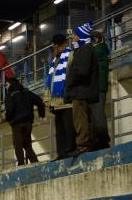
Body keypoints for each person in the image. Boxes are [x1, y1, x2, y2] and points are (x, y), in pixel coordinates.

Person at [65, 21, 99, 156]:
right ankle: (87, 144)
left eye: (74, 35)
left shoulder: (85, 50)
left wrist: (70, 81)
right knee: (84, 119)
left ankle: (83, 145)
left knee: (81, 120)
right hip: (82, 91)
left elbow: (82, 71)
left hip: (81, 91)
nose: (72, 37)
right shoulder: (85, 49)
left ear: (80, 36)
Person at [44, 34, 77, 160]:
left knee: (69, 126)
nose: (55, 49)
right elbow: (49, 81)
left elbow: (72, 76)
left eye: (57, 46)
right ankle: (61, 153)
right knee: (60, 129)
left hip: (67, 99)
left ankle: (70, 150)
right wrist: (46, 99)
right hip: (55, 102)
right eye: (54, 47)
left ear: (63, 44)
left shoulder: (70, 55)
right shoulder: (54, 61)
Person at [5, 78, 46, 166]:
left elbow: (10, 109)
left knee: (18, 145)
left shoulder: (11, 95)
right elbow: (40, 102)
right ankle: (34, 162)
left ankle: (21, 163)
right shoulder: (28, 92)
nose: (6, 87)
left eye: (7, 85)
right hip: (28, 122)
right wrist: (41, 114)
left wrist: (8, 119)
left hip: (16, 123)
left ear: (11, 85)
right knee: (27, 144)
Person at [90, 30, 111, 151]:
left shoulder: (98, 50)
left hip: (98, 87)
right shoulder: (100, 50)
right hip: (97, 87)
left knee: (98, 115)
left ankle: (103, 141)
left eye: (91, 40)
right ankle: (99, 140)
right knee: (96, 115)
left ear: (96, 40)